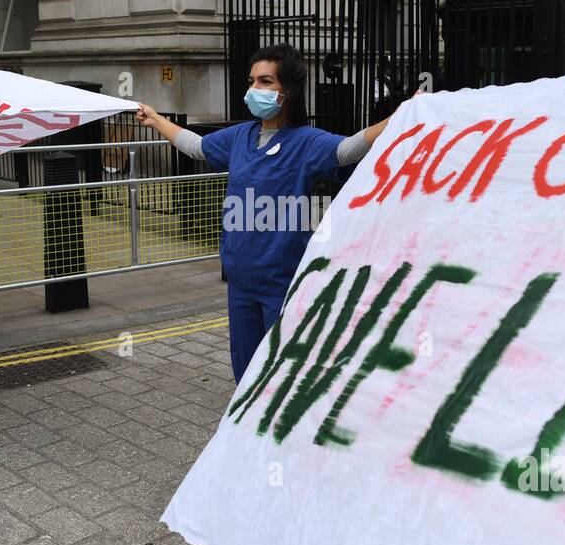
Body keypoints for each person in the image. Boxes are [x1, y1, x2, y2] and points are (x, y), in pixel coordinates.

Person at [137, 43, 393, 381]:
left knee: (281, 374)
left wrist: (397, 118)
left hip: (282, 284)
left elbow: (348, 149)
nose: (254, 89)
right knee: (245, 374)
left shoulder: (306, 142)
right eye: (252, 81)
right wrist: (156, 119)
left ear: (287, 91)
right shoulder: (241, 136)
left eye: (265, 82)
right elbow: (197, 146)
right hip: (240, 281)